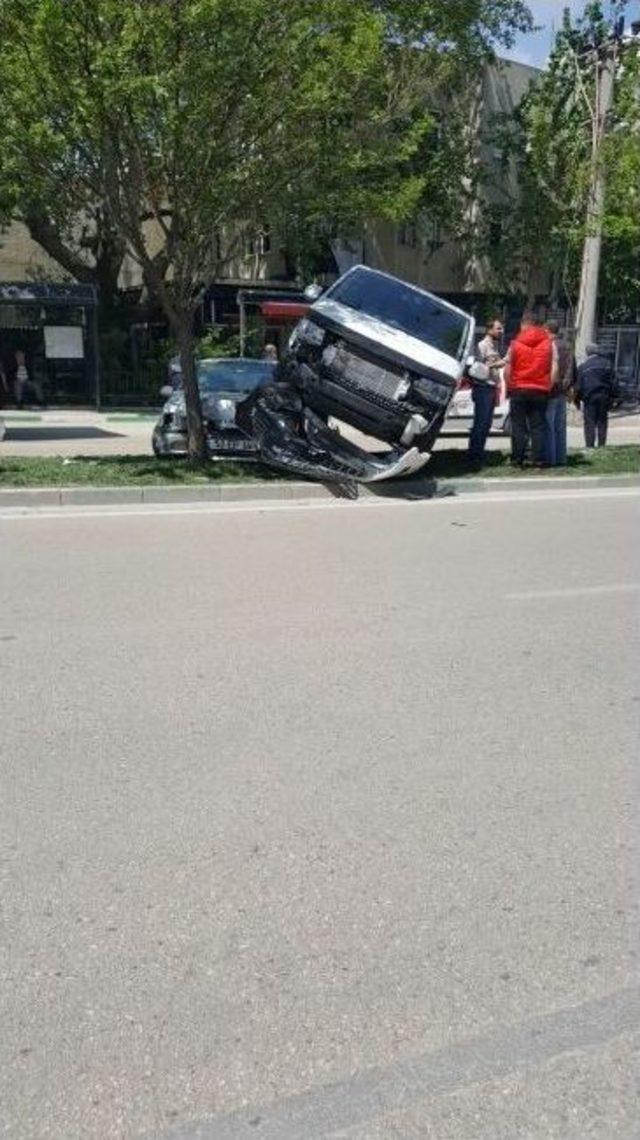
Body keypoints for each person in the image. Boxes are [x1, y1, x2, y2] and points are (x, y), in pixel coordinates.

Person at [504, 311, 557, 468]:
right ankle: (537, 459)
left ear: (524, 324)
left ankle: (517, 459)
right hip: (540, 390)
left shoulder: (514, 344)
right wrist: (548, 386)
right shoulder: (549, 344)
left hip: (519, 389)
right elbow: (554, 368)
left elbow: (508, 369)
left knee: (518, 425)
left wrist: (510, 386)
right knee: (538, 426)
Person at [468, 317, 505, 466]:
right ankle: (473, 455)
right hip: (483, 388)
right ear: (490, 330)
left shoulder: (494, 346)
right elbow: (477, 368)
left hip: (490, 388)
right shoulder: (482, 346)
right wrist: (495, 364)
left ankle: (479, 453)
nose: (501, 331)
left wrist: (502, 362)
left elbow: (496, 362)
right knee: (481, 423)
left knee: (486, 423)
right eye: (498, 328)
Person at [544, 320, 575, 466]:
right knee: (560, 427)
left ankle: (551, 459)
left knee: (548, 426)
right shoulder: (568, 346)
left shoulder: (548, 345)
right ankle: (562, 459)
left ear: (547, 330)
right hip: (563, 390)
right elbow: (572, 368)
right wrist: (568, 387)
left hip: (551, 390)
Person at [574, 342, 615, 449]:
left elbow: (578, 386)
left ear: (587, 353)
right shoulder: (607, 363)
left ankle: (589, 446)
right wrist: (615, 398)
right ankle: (602, 445)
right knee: (602, 421)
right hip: (604, 396)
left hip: (589, 397)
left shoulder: (583, 367)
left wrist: (577, 401)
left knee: (589, 422)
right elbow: (614, 382)